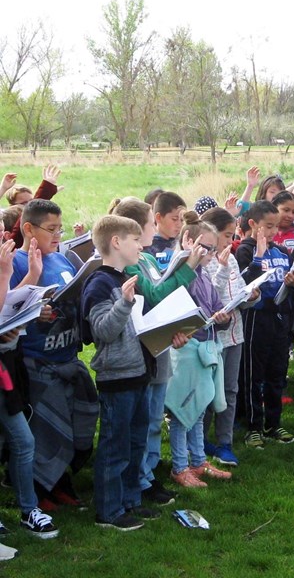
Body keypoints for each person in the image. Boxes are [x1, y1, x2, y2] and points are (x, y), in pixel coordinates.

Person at [10, 199, 98, 510]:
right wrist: (36, 313)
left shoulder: (63, 260)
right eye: (51, 229)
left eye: (60, 228)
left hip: (67, 357)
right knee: (45, 429)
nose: (58, 235)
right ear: (28, 229)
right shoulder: (17, 264)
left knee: (74, 425)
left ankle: (62, 482)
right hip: (38, 362)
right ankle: (40, 489)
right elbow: (9, 310)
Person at [112, 197, 200, 505]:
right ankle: (141, 477)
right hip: (142, 348)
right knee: (145, 416)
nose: (154, 229)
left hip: (159, 343)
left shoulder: (147, 258)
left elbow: (161, 290)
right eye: (151, 224)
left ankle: (148, 472)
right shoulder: (134, 261)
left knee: (152, 415)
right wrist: (188, 268)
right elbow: (155, 295)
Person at [82, 215, 167, 531]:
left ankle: (131, 501)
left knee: (135, 443)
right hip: (117, 377)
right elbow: (102, 331)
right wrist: (124, 304)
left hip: (140, 372)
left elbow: (138, 328)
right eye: (134, 240)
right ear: (116, 242)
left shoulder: (125, 277)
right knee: (115, 446)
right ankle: (108, 511)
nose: (140, 246)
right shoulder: (100, 283)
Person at [164, 212, 232, 487]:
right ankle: (179, 466)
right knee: (182, 411)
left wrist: (223, 316)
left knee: (200, 407)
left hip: (204, 347)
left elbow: (215, 304)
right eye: (206, 248)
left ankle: (198, 460)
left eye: (213, 249)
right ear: (188, 241)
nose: (210, 254)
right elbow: (166, 309)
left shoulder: (203, 274)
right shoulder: (179, 272)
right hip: (185, 351)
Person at [0, 237, 58, 540]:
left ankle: (28, 510)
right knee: (22, 440)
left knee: (20, 441)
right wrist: (5, 273)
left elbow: (8, 303)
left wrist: (32, 276)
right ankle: (27, 508)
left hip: (7, 371)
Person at [235, 200, 294, 447]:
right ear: (253, 224)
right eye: (268, 226)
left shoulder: (282, 252)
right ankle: (252, 425)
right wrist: (259, 256)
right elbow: (242, 285)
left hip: (280, 318)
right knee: (254, 373)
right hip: (256, 318)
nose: (274, 232)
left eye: (276, 227)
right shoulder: (245, 250)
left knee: (277, 372)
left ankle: (273, 423)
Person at [201, 207, 260, 467]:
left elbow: (236, 295)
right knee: (206, 392)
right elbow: (207, 297)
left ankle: (225, 443)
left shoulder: (233, 258)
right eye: (227, 235)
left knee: (230, 390)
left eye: (232, 235)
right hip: (211, 338)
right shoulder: (202, 260)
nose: (231, 241)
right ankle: (199, 442)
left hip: (235, 334)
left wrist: (249, 297)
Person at [144, 191, 186, 271]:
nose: (179, 224)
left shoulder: (183, 242)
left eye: (182, 220)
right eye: (174, 219)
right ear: (159, 217)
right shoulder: (149, 246)